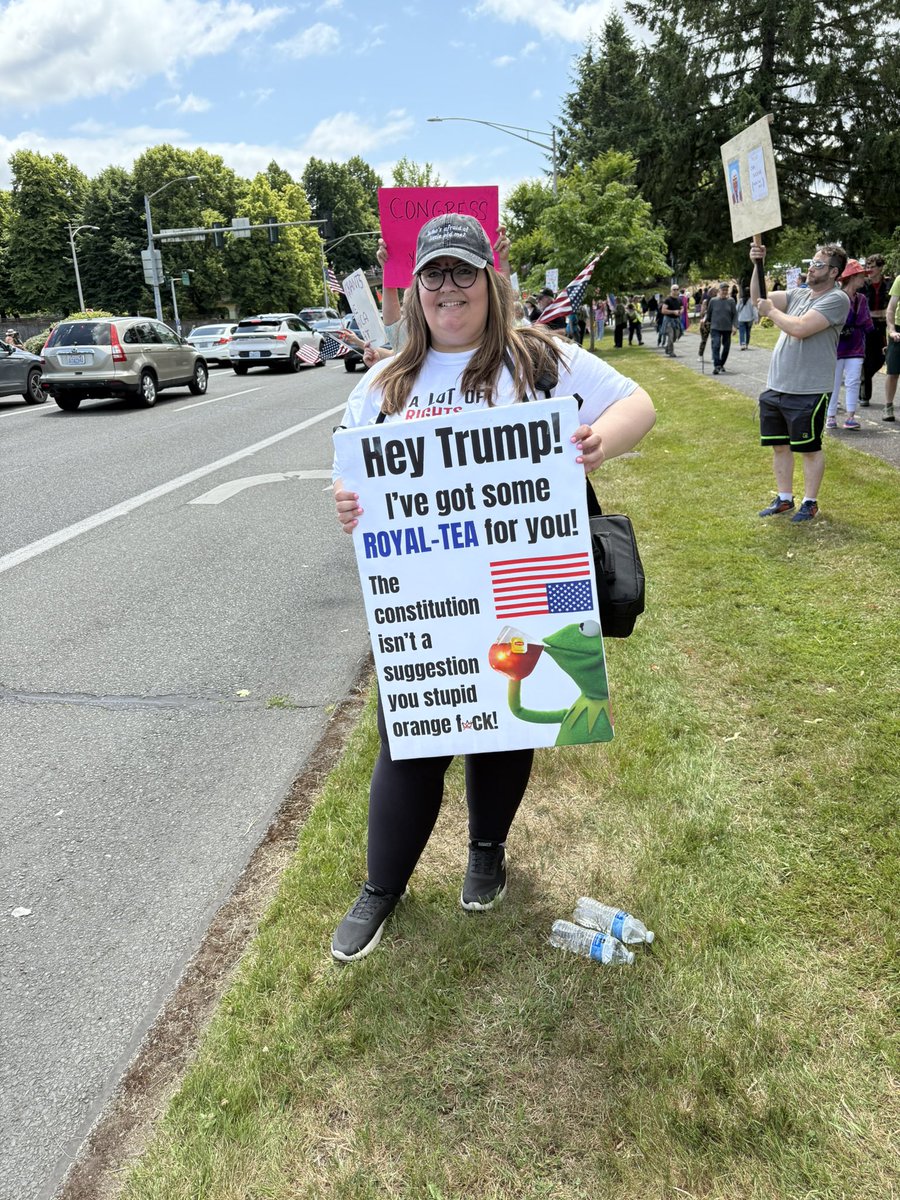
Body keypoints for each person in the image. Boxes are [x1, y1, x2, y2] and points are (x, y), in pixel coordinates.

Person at [330, 212, 656, 962]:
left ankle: (487, 850)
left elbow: (639, 401)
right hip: (429, 594)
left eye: (463, 272)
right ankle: (382, 887)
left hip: (523, 583)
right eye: (434, 274)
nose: (449, 288)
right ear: (415, 291)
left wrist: (600, 443)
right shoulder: (387, 380)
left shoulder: (537, 357)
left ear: (489, 281)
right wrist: (345, 502)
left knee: (507, 720)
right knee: (407, 739)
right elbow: (350, 478)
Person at [750, 240, 850, 522]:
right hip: (777, 385)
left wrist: (770, 311)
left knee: (808, 448)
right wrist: (757, 264)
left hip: (809, 389)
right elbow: (758, 300)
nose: (811, 268)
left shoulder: (836, 299)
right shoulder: (799, 294)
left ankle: (810, 501)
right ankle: (784, 499)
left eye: (819, 264)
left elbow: (801, 328)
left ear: (833, 272)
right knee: (779, 445)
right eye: (812, 262)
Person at [825, 260, 873, 431]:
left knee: (853, 381)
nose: (864, 279)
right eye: (861, 276)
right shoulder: (836, 297)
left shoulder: (862, 298)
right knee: (834, 382)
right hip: (837, 346)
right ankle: (830, 416)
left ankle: (850, 417)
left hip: (856, 346)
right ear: (852, 277)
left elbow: (867, 324)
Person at [860, 254, 893, 407]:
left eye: (872, 266)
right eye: (867, 266)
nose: (869, 269)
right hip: (867, 325)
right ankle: (864, 396)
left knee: (880, 359)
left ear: (880, 267)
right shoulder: (862, 284)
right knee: (866, 360)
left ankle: (865, 376)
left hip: (882, 325)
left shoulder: (889, 283)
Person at [706, 283, 738, 374]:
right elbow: (709, 313)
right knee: (716, 345)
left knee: (726, 347)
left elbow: (735, 314)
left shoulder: (731, 301)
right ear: (719, 291)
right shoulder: (713, 301)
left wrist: (735, 326)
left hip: (727, 328)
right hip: (715, 327)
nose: (724, 292)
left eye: (726, 290)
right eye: (723, 290)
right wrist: (706, 322)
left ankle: (721, 364)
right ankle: (717, 365)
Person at [883, 273, 900, 422]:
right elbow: (891, 309)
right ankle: (888, 405)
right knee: (893, 372)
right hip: (898, 331)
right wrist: (892, 330)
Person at [660, 285, 682, 357]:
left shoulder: (679, 299)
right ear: (671, 290)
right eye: (674, 289)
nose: (675, 291)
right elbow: (663, 310)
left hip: (676, 320)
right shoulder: (668, 300)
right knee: (671, 336)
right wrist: (673, 312)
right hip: (669, 321)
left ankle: (667, 348)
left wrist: (681, 311)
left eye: (677, 289)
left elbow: (682, 308)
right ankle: (671, 351)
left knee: (676, 336)